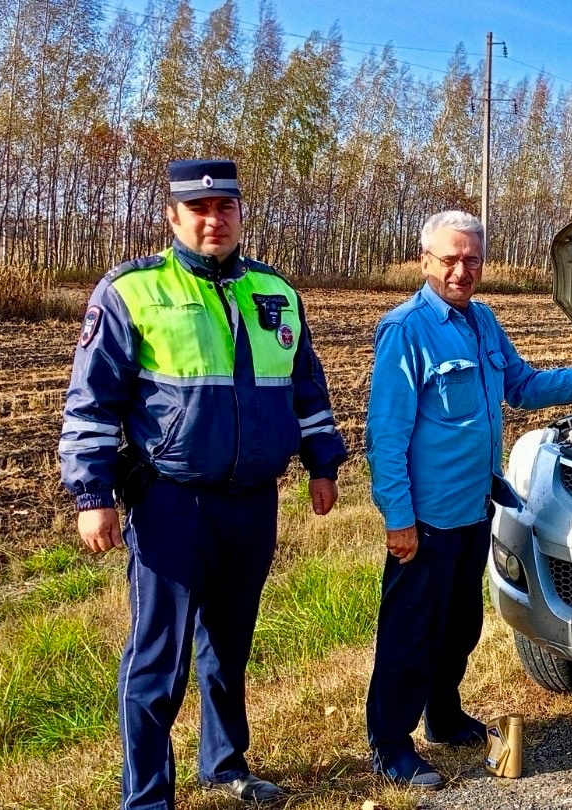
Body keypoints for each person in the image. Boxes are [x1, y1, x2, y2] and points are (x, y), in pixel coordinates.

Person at [58, 159, 348, 809]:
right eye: (199, 209)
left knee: (229, 646)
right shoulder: (131, 291)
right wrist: (92, 495)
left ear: (242, 213)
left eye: (225, 208)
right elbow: (91, 402)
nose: (212, 220)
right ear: (173, 216)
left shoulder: (275, 292)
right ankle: (148, 797)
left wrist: (322, 464)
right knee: (158, 659)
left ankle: (224, 763)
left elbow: (307, 389)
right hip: (171, 501)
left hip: (253, 502)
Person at [363, 210, 572, 788]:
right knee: (410, 634)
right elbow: (386, 435)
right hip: (427, 517)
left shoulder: (483, 322)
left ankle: (442, 716)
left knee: (459, 627)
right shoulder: (406, 328)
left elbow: (522, 385)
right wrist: (398, 517)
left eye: (472, 260)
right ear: (426, 261)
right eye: (450, 259)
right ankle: (390, 743)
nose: (462, 270)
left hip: (474, 507)